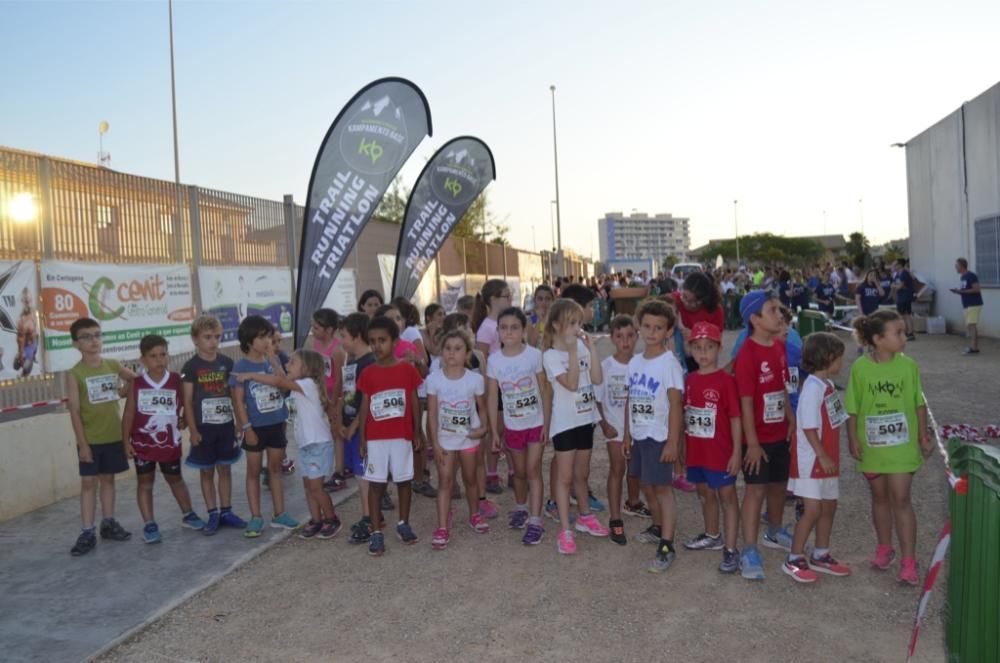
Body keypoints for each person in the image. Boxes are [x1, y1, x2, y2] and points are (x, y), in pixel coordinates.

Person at [847, 311, 932, 585]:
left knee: (902, 499)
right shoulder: (860, 367)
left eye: (904, 332)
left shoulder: (909, 367)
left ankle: (909, 560)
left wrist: (923, 437)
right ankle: (885, 547)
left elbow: (919, 403)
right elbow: (853, 408)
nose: (904, 338)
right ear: (878, 339)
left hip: (902, 448)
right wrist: (853, 439)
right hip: (873, 448)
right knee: (880, 498)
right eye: (898, 333)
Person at [236, 349, 342, 540]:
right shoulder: (296, 386)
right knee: (308, 487)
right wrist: (273, 362)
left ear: (306, 368)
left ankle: (332, 518)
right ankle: (316, 520)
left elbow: (279, 381)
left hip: (318, 444)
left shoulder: (308, 384)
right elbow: (282, 379)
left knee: (316, 488)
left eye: (292, 363)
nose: (287, 365)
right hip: (306, 445)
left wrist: (252, 375)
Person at [733, 290, 796, 580]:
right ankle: (748, 548)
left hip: (779, 432)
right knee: (755, 490)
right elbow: (745, 402)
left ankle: (774, 529)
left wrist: (791, 420)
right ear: (755, 319)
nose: (780, 314)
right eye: (773, 310)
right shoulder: (747, 353)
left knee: (778, 486)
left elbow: (782, 388)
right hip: (756, 438)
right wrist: (752, 443)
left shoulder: (778, 346)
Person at [621, 299, 685, 573]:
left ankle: (667, 545)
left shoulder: (668, 363)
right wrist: (626, 435)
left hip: (659, 436)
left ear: (669, 331)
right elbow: (630, 400)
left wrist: (673, 442)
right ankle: (658, 527)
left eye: (658, 328)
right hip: (639, 435)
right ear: (639, 327)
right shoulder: (635, 362)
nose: (651, 332)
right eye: (646, 326)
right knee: (647, 484)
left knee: (663, 489)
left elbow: (675, 405)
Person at [122, 335, 204, 544]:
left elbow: (188, 402)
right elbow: (129, 414)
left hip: (169, 443)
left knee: (175, 480)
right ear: (143, 360)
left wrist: (185, 419)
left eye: (163, 354)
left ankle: (188, 514)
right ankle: (149, 524)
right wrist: (125, 442)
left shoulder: (176, 380)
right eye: (153, 356)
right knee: (145, 483)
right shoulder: (137, 383)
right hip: (142, 444)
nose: (159, 360)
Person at [783, 332, 852, 583]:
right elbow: (810, 428)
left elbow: (835, 419)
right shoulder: (812, 388)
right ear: (828, 357)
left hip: (827, 460)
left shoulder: (828, 386)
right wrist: (822, 454)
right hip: (811, 461)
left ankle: (821, 553)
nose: (841, 363)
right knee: (812, 509)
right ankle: (794, 557)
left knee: (829, 506)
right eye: (839, 358)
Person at [66, 318, 138, 556]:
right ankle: (87, 531)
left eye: (97, 335)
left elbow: (134, 380)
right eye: (86, 337)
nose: (94, 340)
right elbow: (74, 411)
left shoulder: (112, 364)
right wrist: (83, 445)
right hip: (90, 440)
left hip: (113, 435)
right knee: (88, 483)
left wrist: (122, 392)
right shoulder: (75, 373)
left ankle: (108, 522)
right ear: (76, 343)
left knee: (108, 479)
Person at [543, 298, 608, 554]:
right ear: (557, 324)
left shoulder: (581, 347)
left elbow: (596, 378)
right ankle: (565, 530)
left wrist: (590, 349)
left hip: (585, 419)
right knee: (565, 477)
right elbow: (570, 384)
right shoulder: (550, 355)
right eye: (571, 322)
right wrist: (572, 352)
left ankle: (584, 516)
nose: (576, 327)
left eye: (579, 322)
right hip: (565, 424)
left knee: (582, 474)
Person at [357, 315, 424, 556]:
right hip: (375, 438)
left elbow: (414, 400)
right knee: (376, 484)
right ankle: (376, 532)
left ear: (394, 341)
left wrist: (417, 430)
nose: (377, 346)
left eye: (382, 340)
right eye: (372, 341)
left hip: (402, 436)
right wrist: (363, 437)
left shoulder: (407, 370)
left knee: (404, 480)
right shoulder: (368, 373)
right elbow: (365, 404)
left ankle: (403, 523)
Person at [229, 315, 298, 538]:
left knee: (275, 470)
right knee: (253, 472)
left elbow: (285, 385)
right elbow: (238, 401)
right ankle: (256, 516)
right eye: (262, 337)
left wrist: (273, 359)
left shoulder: (272, 362)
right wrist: (246, 428)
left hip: (276, 422)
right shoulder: (240, 367)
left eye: (269, 336)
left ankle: (280, 513)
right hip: (255, 428)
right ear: (249, 340)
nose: (267, 341)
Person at [682, 322, 742, 574]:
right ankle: (712, 534)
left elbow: (735, 419)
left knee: (727, 498)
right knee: (704, 494)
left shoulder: (726, 382)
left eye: (709, 347)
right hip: (698, 452)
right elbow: (686, 416)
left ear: (719, 348)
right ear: (691, 351)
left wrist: (737, 451)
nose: (703, 353)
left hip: (721, 453)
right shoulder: (689, 380)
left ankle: (730, 548)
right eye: (698, 348)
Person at [486, 308, 549, 545]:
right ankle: (521, 508)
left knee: (533, 470)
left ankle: (535, 521)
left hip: (535, 424)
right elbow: (493, 397)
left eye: (514, 327)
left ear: (523, 330)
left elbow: (544, 390)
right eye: (504, 327)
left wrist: (547, 422)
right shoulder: (494, 361)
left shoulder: (534, 356)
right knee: (519, 473)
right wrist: (494, 431)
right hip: (513, 427)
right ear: (498, 332)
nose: (509, 331)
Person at [181, 314, 246, 535]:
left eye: (217, 337)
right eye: (207, 337)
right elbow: (187, 401)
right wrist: (193, 430)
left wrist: (238, 422)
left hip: (225, 426)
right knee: (206, 472)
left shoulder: (227, 363)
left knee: (225, 469)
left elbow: (235, 396)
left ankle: (227, 511)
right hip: (204, 429)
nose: (213, 342)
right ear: (195, 339)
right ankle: (213, 513)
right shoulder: (191, 366)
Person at [427, 330, 490, 549]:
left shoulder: (475, 379)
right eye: (448, 348)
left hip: (468, 440)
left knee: (470, 479)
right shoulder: (434, 379)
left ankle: (474, 514)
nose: (452, 353)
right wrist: (434, 443)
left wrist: (482, 429)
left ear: (467, 353)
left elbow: (482, 409)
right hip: (444, 440)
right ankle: (442, 526)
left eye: (458, 349)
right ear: (441, 352)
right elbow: (432, 415)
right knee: (445, 481)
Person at [596, 314, 648, 546]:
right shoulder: (606, 366)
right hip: (615, 428)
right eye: (619, 336)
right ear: (612, 338)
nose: (625, 341)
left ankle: (634, 502)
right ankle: (615, 517)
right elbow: (597, 398)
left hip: (640, 427)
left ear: (637, 337)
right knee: (618, 468)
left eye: (630, 336)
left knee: (635, 469)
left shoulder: (642, 363)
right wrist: (604, 424)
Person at [335, 313, 380, 545]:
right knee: (362, 475)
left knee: (365, 476)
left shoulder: (369, 363)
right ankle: (369, 514)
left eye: (343, 336)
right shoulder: (352, 361)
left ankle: (370, 518)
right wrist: (342, 421)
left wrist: (354, 425)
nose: (341, 341)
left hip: (364, 430)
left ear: (357, 336)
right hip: (352, 427)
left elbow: (369, 398)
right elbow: (350, 395)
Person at [473, 279, 513, 499]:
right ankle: (491, 472)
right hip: (494, 385)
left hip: (509, 384)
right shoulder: (487, 327)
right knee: (495, 430)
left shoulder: (506, 323)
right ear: (493, 300)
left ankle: (513, 471)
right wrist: (488, 388)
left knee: (509, 427)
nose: (510, 299)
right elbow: (481, 358)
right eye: (507, 296)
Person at [309, 309, 347, 491]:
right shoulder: (316, 344)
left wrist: (334, 402)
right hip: (322, 394)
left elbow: (339, 378)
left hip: (335, 396)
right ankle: (330, 468)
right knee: (328, 433)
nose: (313, 330)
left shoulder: (338, 349)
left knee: (337, 432)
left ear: (330, 329)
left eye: (317, 327)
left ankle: (339, 472)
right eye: (313, 327)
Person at [951, 258, 983, 355]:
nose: (955, 268)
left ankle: (974, 348)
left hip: (974, 303)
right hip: (967, 304)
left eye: (956, 266)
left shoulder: (971, 276)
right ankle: (973, 347)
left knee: (972, 325)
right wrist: (958, 291)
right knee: (970, 326)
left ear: (961, 266)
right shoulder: (962, 277)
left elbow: (976, 289)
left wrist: (962, 291)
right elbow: (965, 290)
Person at [14, 287, 39, 376]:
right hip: (26, 345)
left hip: (33, 341)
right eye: (26, 301)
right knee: (23, 365)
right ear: (22, 301)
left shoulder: (34, 311)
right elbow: (20, 339)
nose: (28, 303)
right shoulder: (21, 320)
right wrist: (20, 354)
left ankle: (32, 356)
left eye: (29, 300)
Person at [891, 258, 916, 341]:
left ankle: (909, 333)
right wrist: (895, 286)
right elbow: (895, 285)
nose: (894, 266)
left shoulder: (904, 273)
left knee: (905, 315)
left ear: (900, 265)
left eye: (895, 265)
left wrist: (895, 286)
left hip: (905, 297)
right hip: (901, 297)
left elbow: (899, 286)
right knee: (904, 315)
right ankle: (907, 332)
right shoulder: (898, 274)